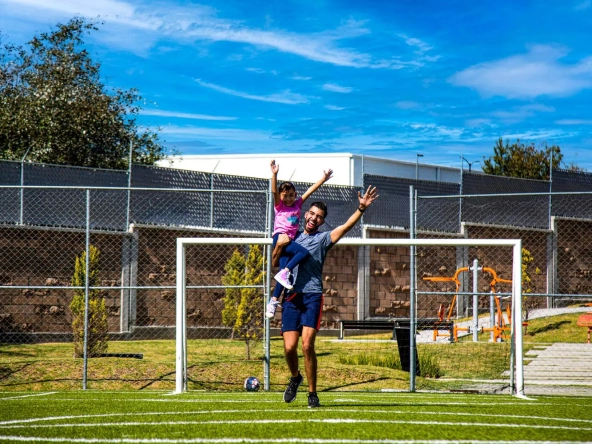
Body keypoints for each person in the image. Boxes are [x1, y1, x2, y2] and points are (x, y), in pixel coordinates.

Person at [276, 185, 379, 408]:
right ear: (306, 214)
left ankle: (312, 393)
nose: (314, 218)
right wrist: (280, 246)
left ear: (322, 221)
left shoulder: (323, 239)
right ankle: (295, 378)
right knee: (289, 348)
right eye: (312, 213)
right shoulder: (290, 236)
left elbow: (345, 227)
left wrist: (360, 209)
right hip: (292, 297)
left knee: (306, 346)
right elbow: (276, 263)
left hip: (312, 296)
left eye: (319, 217)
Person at [266, 159, 333, 319]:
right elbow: (274, 191)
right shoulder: (279, 206)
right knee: (303, 252)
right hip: (279, 238)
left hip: (289, 242)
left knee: (282, 275)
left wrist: (323, 180)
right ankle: (287, 271)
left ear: (295, 195)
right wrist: (274, 174)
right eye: (285, 196)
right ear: (281, 197)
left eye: (291, 195)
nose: (288, 198)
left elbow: (310, 190)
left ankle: (273, 301)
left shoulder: (298, 204)